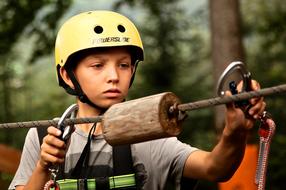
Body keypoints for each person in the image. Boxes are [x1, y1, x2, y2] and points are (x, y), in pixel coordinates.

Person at [9, 10, 266, 190]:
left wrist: (234, 131)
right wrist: (44, 166)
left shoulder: (149, 134)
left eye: (124, 65)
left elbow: (215, 168)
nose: (114, 76)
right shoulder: (45, 136)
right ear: (67, 75)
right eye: (98, 65)